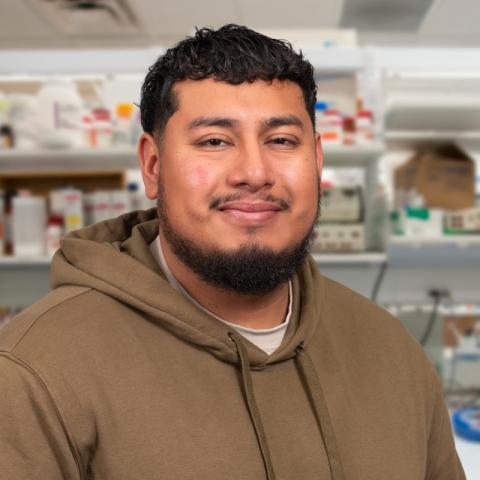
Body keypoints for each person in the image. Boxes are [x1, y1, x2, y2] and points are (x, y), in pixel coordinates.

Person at [0, 25, 464, 480]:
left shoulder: (393, 351)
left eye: (281, 140)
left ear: (318, 161)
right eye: (215, 141)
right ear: (154, 166)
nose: (254, 171)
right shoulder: (33, 374)